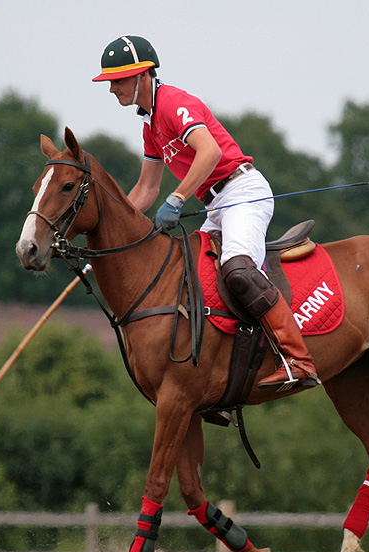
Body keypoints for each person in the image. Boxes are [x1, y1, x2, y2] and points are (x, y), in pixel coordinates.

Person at [92, 35, 318, 392]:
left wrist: (178, 198)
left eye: (117, 80)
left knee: (238, 269)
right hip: (216, 204)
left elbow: (209, 152)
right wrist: (111, 242)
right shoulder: (150, 125)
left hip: (242, 191)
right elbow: (146, 190)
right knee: (195, 281)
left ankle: (298, 360)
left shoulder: (172, 103)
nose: (111, 89)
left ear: (142, 75)